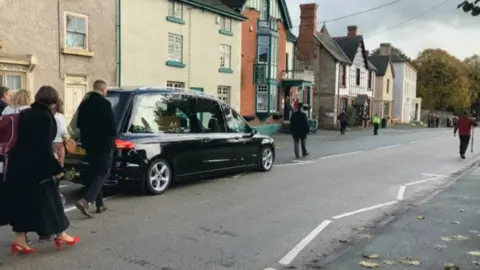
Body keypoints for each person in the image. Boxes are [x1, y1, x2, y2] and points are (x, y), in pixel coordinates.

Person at [2, 86, 79, 256]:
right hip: (36, 168)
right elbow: (43, 147)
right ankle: (61, 234)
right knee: (52, 202)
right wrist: (56, 169)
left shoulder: (25, 114)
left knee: (22, 203)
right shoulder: (46, 117)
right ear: (53, 101)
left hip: (17, 165)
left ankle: (20, 241)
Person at [75, 80, 116, 217]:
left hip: (89, 144)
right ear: (104, 90)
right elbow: (111, 126)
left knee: (95, 173)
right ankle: (86, 200)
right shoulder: (105, 104)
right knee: (103, 173)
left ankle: (100, 204)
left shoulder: (84, 104)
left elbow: (79, 124)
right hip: (104, 144)